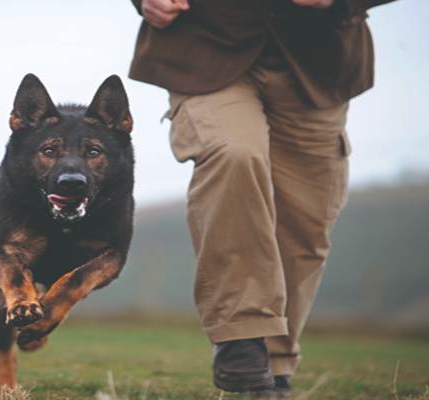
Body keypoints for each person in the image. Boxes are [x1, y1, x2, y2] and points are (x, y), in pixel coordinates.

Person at [128, 0, 395, 396]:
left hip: (319, 63)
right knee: (233, 153)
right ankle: (242, 338)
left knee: (305, 223)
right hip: (205, 51)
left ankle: (273, 368)